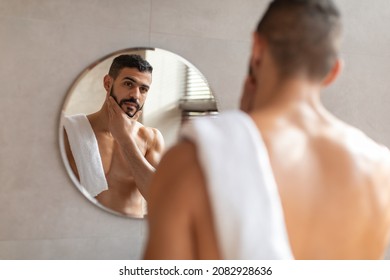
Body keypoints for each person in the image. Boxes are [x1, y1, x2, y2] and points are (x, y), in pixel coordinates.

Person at [143, 0, 390, 259]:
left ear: (257, 48)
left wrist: (241, 134)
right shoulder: (380, 170)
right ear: (333, 71)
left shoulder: (194, 158)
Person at [63, 54, 164, 217]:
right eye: (128, 84)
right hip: (81, 233)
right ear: (108, 83)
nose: (135, 95)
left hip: (129, 236)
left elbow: (159, 197)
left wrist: (125, 139)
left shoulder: (151, 138)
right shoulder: (69, 130)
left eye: (143, 89)